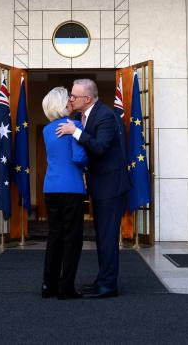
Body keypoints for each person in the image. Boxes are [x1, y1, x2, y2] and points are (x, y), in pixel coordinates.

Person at [56, 78, 131, 299]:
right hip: (99, 185)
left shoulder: (106, 115)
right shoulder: (82, 116)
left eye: (73, 96)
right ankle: (103, 280)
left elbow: (99, 147)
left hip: (111, 187)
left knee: (107, 237)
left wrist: (74, 132)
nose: (70, 99)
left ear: (87, 99)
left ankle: (108, 286)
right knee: (102, 236)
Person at [40, 86, 88, 300]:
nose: (71, 101)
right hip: (72, 188)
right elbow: (79, 157)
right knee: (72, 239)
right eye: (68, 98)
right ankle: (65, 288)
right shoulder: (74, 125)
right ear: (62, 103)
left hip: (50, 187)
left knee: (55, 237)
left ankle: (48, 286)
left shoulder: (46, 130)